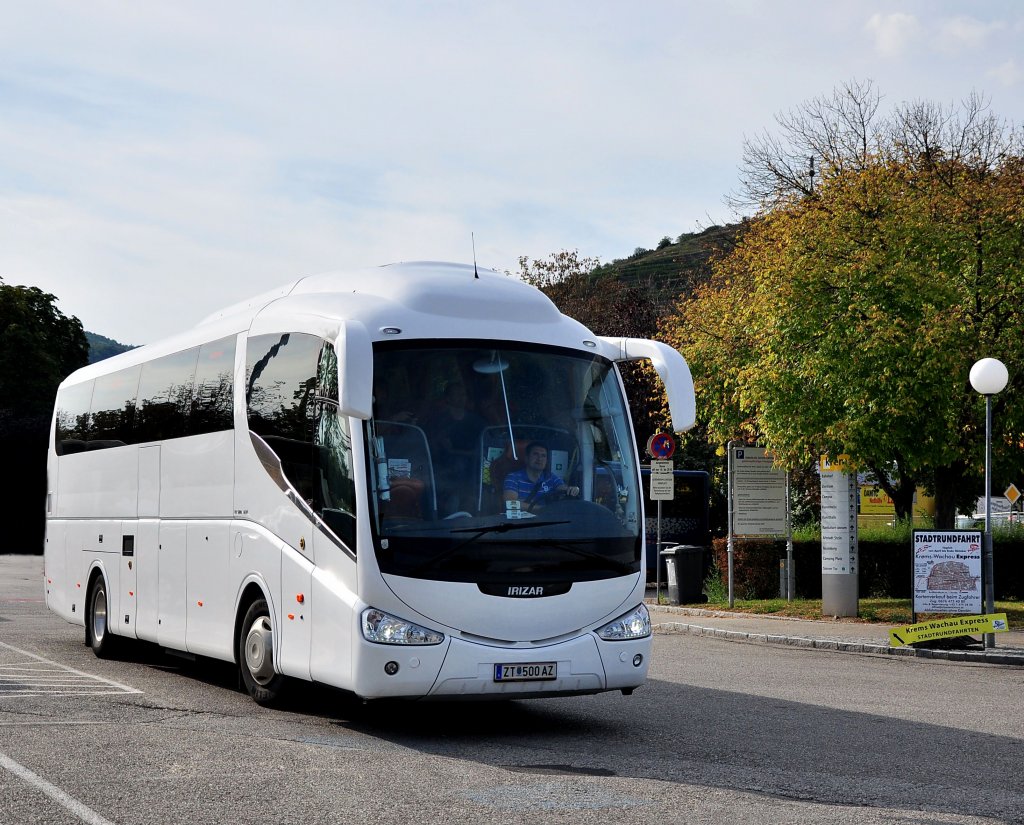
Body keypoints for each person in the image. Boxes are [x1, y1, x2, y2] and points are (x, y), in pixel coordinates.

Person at [502, 441, 579, 511]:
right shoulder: (513, 478)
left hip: (547, 523)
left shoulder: (550, 477)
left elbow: (563, 488)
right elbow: (510, 504)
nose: (540, 459)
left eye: (543, 456)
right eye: (535, 454)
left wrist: (572, 489)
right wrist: (542, 509)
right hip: (520, 524)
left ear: (546, 461)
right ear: (527, 458)